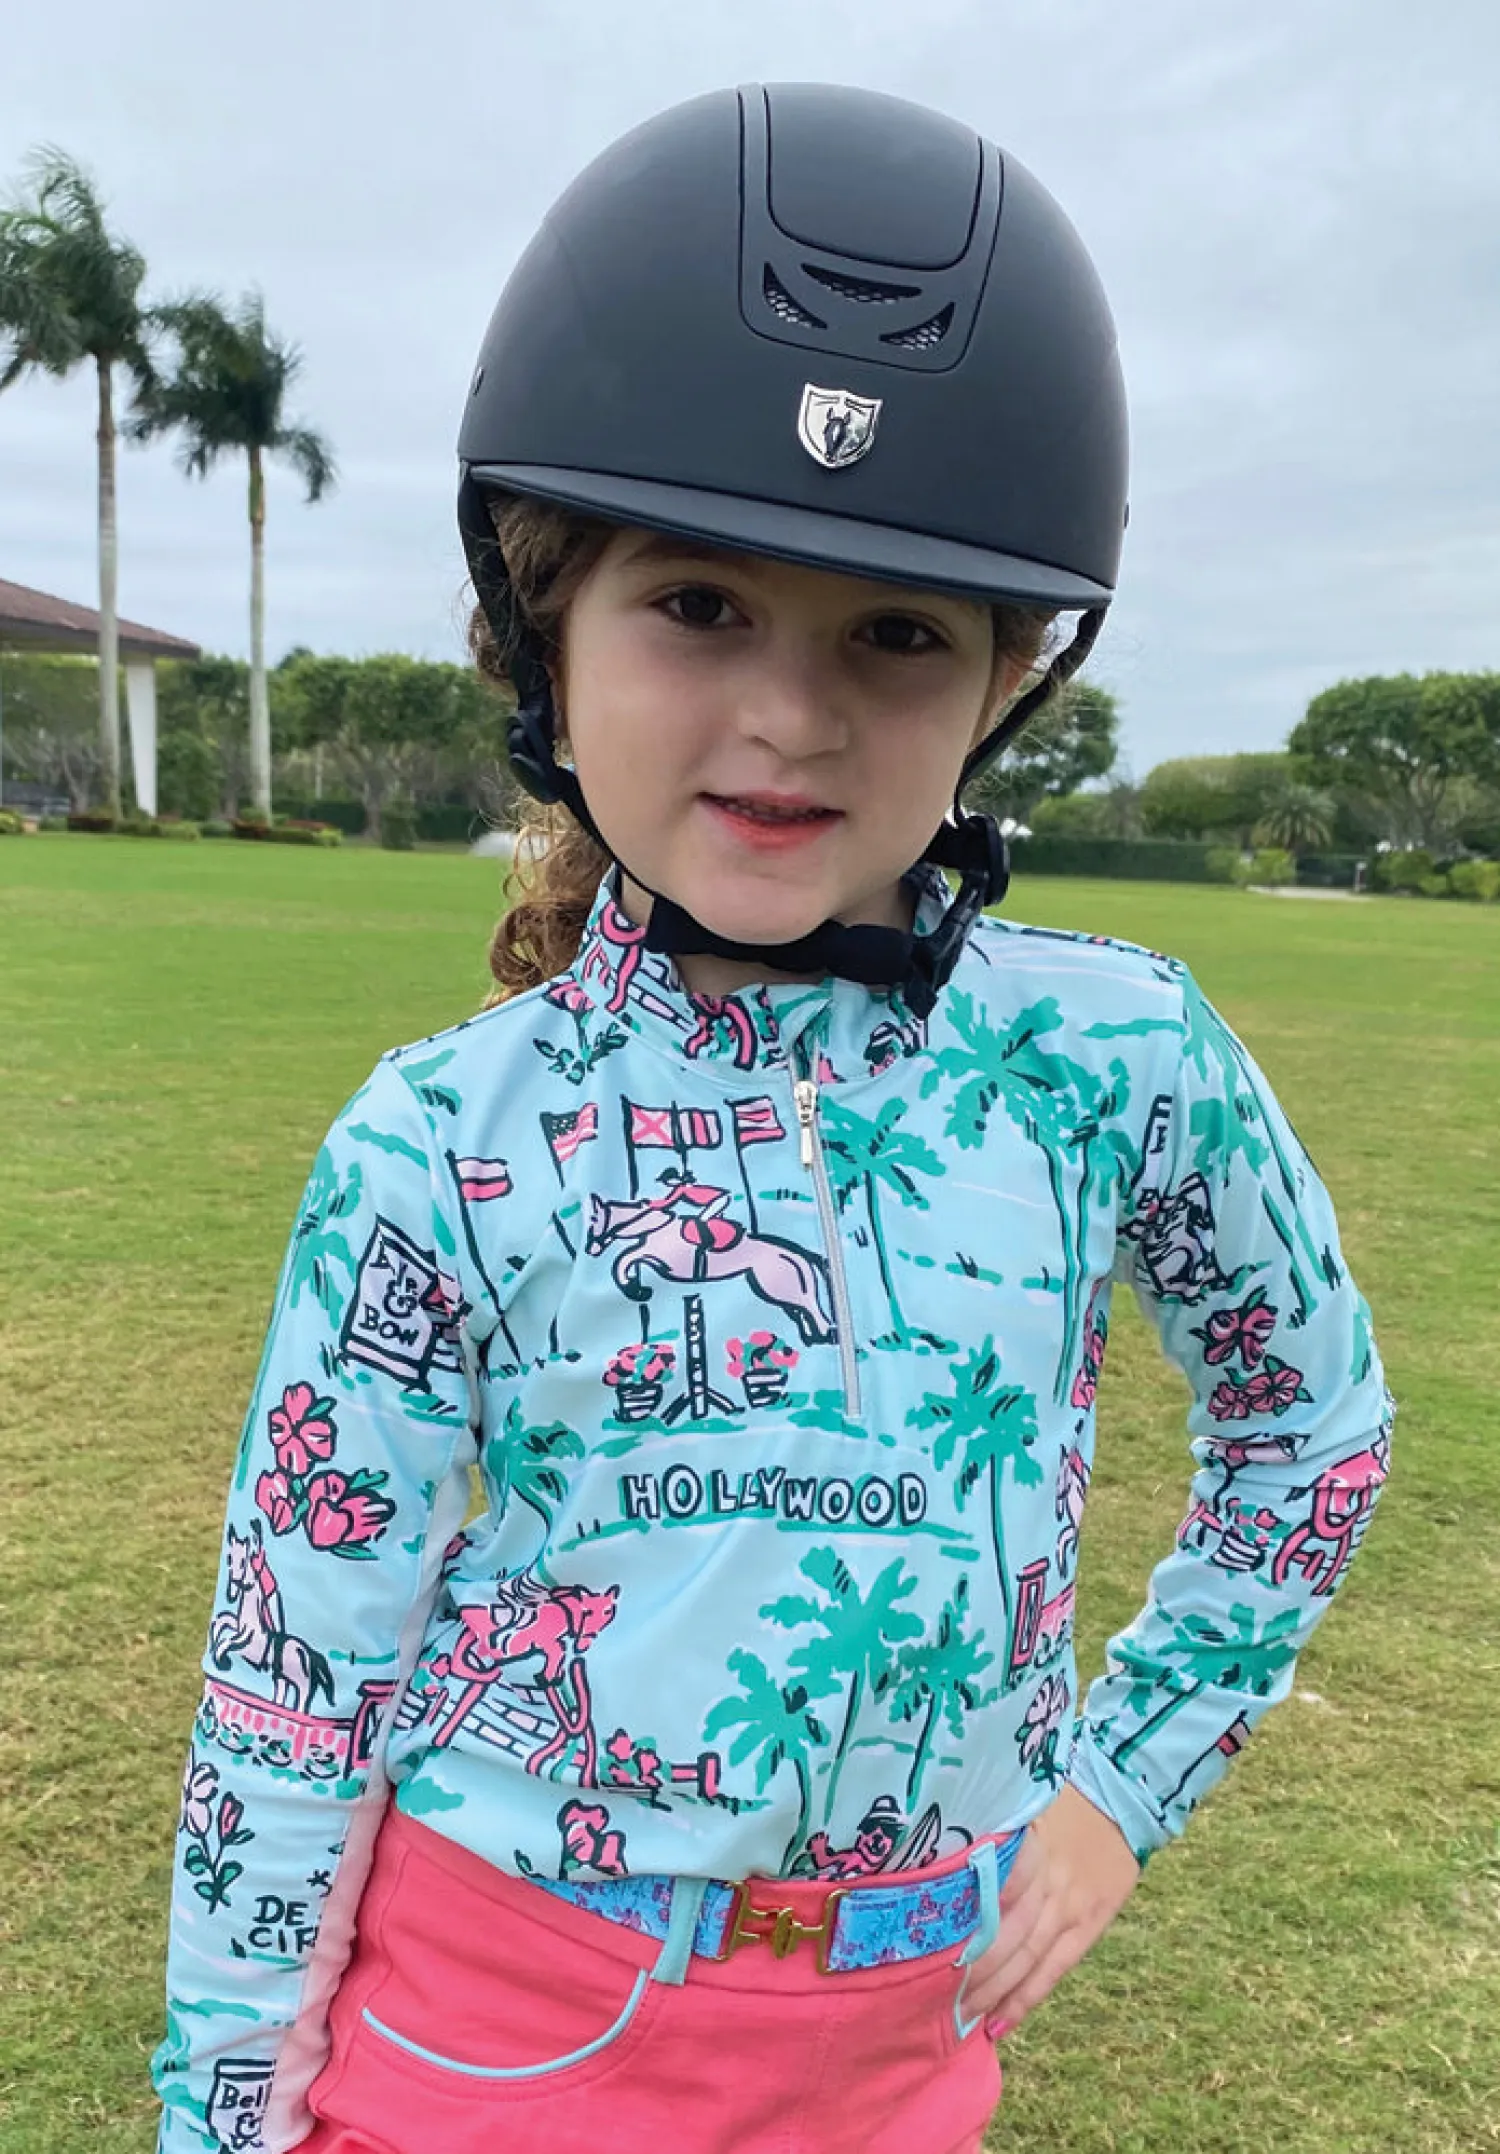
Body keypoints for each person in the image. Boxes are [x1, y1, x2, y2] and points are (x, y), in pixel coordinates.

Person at [152, 83, 1393, 2154]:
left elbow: (1313, 1426)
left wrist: (1123, 1784)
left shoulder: (1123, 1057)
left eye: (895, 633)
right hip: (493, 2031)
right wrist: (222, 2111)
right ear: (542, 627)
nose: (794, 714)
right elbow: (298, 1679)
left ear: (1004, 674)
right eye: (699, 605)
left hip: (898, 2044)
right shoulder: (437, 1138)